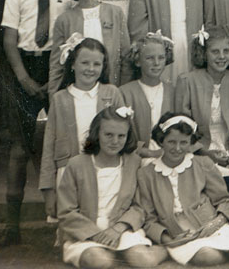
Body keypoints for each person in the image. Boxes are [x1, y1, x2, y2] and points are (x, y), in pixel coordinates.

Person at [0, 0, 67, 245]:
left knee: (65, 148)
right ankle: (12, 228)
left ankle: (65, 228)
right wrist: (23, 78)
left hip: (60, 70)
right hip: (24, 68)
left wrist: (56, 79)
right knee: (18, 150)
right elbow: (9, 40)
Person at [137, 113, 229, 266]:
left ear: (191, 143)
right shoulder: (147, 174)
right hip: (179, 233)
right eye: (171, 142)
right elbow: (148, 218)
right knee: (208, 257)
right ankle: (214, 252)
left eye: (184, 142)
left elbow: (225, 201)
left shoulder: (202, 164)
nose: (177, 148)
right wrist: (167, 239)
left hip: (213, 225)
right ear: (161, 141)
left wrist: (215, 224)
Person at [56, 106, 167, 268]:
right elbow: (66, 211)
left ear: (128, 137)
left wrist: (119, 228)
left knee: (144, 260)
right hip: (85, 232)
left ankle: (166, 250)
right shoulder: (77, 164)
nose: (115, 141)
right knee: (99, 261)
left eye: (121, 136)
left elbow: (140, 206)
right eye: (108, 135)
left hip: (121, 228)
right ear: (96, 134)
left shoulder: (133, 163)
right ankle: (112, 254)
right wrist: (94, 234)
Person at [41, 37, 125, 221]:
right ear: (72, 64)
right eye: (85, 62)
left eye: (97, 64)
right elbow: (48, 145)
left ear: (103, 67)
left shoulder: (112, 94)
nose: (90, 69)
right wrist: (48, 189)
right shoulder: (60, 98)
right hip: (68, 173)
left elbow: (124, 136)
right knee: (72, 225)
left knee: (100, 221)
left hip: (103, 172)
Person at [175, 25, 229, 183]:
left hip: (228, 149)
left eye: (226, 51)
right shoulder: (187, 81)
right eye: (215, 52)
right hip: (198, 151)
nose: (221, 57)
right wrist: (204, 152)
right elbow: (182, 127)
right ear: (203, 53)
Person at [49, 0, 131, 95]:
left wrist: (122, 93)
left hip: (111, 88)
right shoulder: (64, 20)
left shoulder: (115, 13)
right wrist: (53, 97)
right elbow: (57, 65)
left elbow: (125, 57)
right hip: (77, 90)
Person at [121, 33, 177, 161]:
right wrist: (148, 153)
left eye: (161, 58)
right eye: (150, 58)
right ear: (138, 61)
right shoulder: (125, 92)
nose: (156, 63)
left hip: (170, 155)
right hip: (137, 156)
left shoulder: (172, 91)